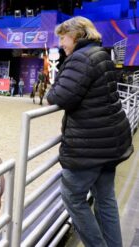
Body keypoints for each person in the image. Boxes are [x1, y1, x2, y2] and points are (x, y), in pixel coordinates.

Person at [46, 16, 133, 247]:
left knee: (72, 196)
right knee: (105, 199)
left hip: (91, 145)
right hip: (111, 142)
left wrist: (52, 88)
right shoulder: (100, 54)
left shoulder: (80, 59)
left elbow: (59, 97)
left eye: (63, 38)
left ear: (75, 35)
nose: (62, 44)